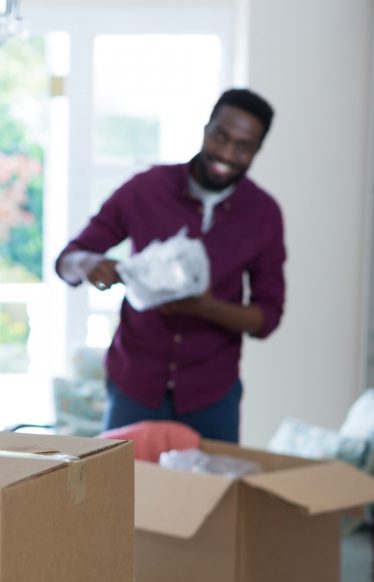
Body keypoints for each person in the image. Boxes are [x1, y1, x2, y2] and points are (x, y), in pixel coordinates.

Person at [55, 88, 285, 442]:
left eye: (243, 146)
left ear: (257, 151)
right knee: (119, 495)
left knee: (210, 495)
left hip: (213, 395)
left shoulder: (263, 214)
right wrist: (90, 264)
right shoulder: (146, 189)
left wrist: (207, 308)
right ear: (206, 129)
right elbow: (67, 260)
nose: (226, 153)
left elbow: (267, 318)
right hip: (135, 385)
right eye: (220, 137)